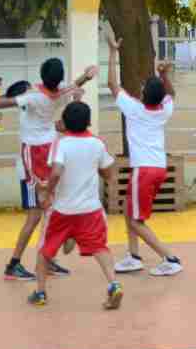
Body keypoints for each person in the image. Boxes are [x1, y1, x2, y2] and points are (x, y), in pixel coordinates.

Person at [0, 58, 97, 280]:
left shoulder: (34, 98)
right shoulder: (53, 93)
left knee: (45, 212)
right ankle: (15, 264)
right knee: (39, 214)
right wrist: (87, 76)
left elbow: (3, 103)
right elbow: (74, 85)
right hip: (39, 158)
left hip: (40, 155)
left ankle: (46, 257)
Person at [26, 101, 123, 310]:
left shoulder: (61, 144)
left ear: (65, 122)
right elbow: (108, 173)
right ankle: (114, 284)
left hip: (64, 210)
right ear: (88, 122)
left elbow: (57, 172)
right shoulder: (97, 144)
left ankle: (41, 292)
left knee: (45, 251)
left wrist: (47, 191)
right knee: (100, 248)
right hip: (90, 210)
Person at [105, 31, 183, 277]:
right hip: (156, 168)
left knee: (137, 221)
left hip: (145, 171)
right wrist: (164, 75)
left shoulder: (134, 110)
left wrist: (113, 52)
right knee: (130, 212)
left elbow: (112, 85)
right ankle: (134, 256)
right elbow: (172, 95)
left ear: (142, 94)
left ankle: (170, 258)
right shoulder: (162, 111)